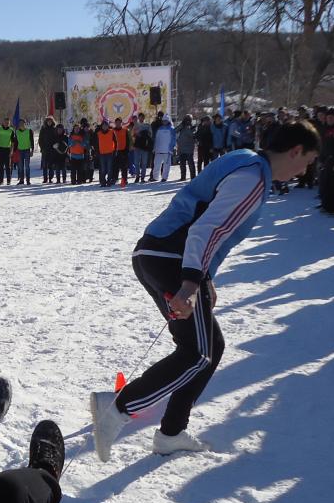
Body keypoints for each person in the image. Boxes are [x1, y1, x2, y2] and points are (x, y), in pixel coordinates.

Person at [90, 120, 320, 458]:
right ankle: (118, 410)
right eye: (308, 160)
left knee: (209, 345)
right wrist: (191, 281)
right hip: (171, 258)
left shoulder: (245, 161)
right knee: (196, 353)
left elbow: (206, 224)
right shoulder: (254, 177)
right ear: (295, 151)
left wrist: (204, 278)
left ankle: (170, 432)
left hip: (156, 254)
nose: (305, 169)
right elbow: (206, 228)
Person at [151, 114, 175, 182]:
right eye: (163, 121)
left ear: (168, 121)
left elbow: (173, 139)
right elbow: (157, 139)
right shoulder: (159, 128)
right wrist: (154, 147)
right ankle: (155, 177)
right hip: (158, 150)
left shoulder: (171, 129)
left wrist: (171, 148)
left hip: (167, 150)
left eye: (166, 121)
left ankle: (164, 177)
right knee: (156, 164)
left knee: (166, 165)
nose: (164, 122)